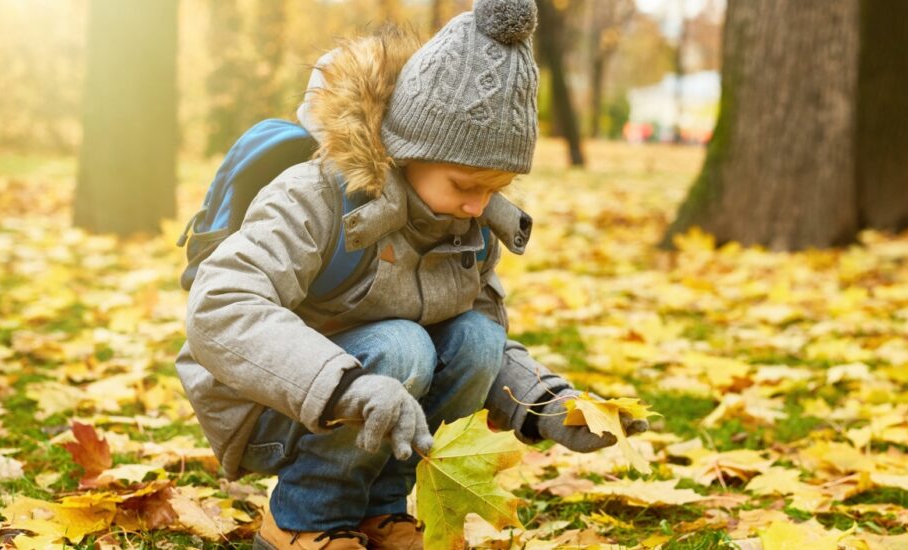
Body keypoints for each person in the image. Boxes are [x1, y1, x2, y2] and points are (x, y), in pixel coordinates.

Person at [175, 1, 647, 549]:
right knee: (402, 348)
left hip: (379, 391)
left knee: (474, 337)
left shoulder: (470, 227)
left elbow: (483, 348)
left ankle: (379, 510)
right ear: (408, 150)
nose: (478, 206)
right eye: (465, 184)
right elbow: (220, 309)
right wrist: (346, 388)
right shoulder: (314, 196)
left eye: (495, 188)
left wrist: (548, 406)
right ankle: (305, 520)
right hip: (268, 397)